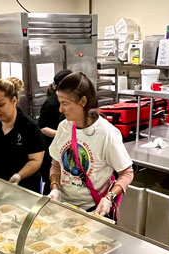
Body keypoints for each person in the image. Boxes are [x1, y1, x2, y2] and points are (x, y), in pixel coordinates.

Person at [48, 72, 133, 217]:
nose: (60, 109)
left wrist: (109, 197)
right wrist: (54, 188)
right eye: (60, 103)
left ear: (83, 101)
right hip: (64, 207)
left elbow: (127, 173)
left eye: (65, 103)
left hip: (93, 210)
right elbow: (56, 165)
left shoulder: (107, 133)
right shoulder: (64, 127)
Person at [38, 69, 72, 195]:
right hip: (51, 149)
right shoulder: (51, 103)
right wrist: (61, 134)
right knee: (52, 182)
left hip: (65, 149)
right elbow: (42, 127)